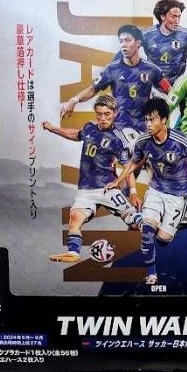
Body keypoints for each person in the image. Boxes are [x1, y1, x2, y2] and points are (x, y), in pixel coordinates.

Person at [106, 97, 187, 286]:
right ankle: (151, 273)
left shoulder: (180, 141)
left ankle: (149, 222)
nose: (148, 124)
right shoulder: (143, 141)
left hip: (178, 196)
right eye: (146, 120)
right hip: (156, 190)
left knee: (163, 239)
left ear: (164, 120)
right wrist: (117, 181)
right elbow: (133, 163)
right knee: (147, 230)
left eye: (152, 119)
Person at [42, 94, 139, 263]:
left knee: (134, 222)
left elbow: (128, 167)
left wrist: (133, 192)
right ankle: (73, 253)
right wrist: (53, 129)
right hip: (86, 191)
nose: (103, 118)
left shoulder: (118, 139)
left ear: (115, 113)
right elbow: (75, 135)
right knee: (74, 219)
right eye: (99, 114)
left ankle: (159, 227)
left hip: (107, 189)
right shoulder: (89, 128)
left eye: (107, 114)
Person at [61, 25, 171, 145]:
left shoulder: (152, 69)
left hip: (144, 128)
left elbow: (168, 89)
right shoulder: (112, 69)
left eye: (127, 40)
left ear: (138, 43)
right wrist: (74, 100)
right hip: (119, 129)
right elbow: (93, 89)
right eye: (121, 41)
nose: (123, 45)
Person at [141, 0, 187, 82]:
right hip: (153, 84)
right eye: (173, 17)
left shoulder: (186, 35)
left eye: (179, 17)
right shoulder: (146, 34)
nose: (177, 21)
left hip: (177, 84)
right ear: (162, 16)